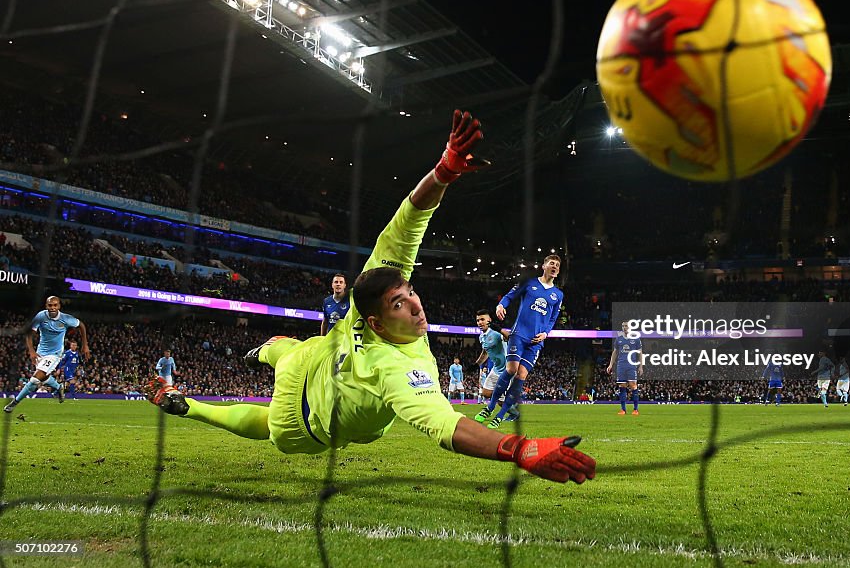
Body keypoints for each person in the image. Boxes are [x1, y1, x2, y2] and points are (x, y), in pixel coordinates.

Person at [143, 111, 595, 485]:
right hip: (304, 422)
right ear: (376, 321)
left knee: (284, 351)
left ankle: (241, 367)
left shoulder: (376, 293)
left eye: (411, 293)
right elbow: (446, 425)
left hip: (312, 370)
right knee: (269, 419)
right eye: (401, 304)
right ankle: (215, 391)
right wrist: (517, 448)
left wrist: (444, 171)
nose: (416, 304)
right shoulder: (401, 366)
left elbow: (411, 218)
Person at [475, 254, 563, 429]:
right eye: (551, 263)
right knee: (511, 369)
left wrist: (545, 333)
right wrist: (501, 305)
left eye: (557, 266)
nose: (554, 267)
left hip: (536, 340)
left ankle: (500, 416)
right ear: (544, 266)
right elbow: (510, 295)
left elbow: (553, 318)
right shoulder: (529, 283)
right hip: (519, 334)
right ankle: (490, 407)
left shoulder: (558, 294)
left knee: (521, 375)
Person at [5, 296, 90, 413]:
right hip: (41, 353)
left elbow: (81, 325)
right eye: (50, 305)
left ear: (59, 306)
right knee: (44, 378)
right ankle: (59, 387)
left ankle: (14, 403)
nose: (53, 307)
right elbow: (29, 333)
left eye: (55, 305)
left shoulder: (66, 318)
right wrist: (31, 351)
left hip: (55, 354)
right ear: (46, 306)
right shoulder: (41, 316)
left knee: (35, 379)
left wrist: (85, 345)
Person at [473, 310, 517, 419]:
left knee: (501, 401)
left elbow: (512, 338)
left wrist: (500, 329)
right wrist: (476, 364)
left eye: (482, 319)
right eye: (478, 320)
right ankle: (507, 401)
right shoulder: (481, 337)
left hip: (506, 370)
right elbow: (485, 353)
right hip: (496, 369)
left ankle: (514, 413)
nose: (480, 322)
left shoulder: (496, 333)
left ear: (489, 320)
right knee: (486, 393)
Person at [606, 322, 643, 415]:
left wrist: (641, 366)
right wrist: (610, 365)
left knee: (633, 386)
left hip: (631, 366)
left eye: (626, 326)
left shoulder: (636, 339)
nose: (624, 327)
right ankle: (623, 410)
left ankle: (635, 409)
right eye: (623, 326)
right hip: (621, 366)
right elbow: (615, 352)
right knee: (622, 386)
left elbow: (640, 353)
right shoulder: (619, 339)